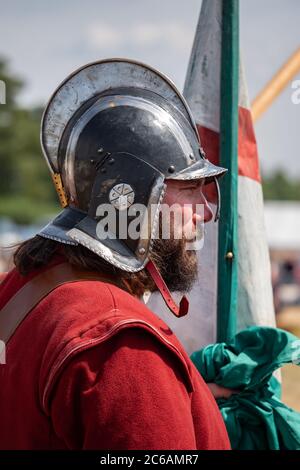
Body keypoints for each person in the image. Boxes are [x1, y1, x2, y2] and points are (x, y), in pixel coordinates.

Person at [0, 59, 230, 450]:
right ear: (132, 195)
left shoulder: (22, 287)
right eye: (190, 190)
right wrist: (149, 385)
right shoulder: (122, 342)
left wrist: (181, 396)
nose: (205, 214)